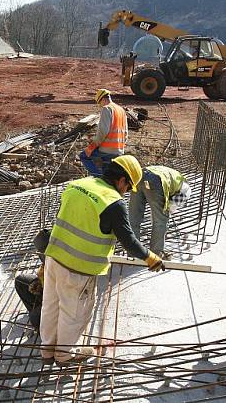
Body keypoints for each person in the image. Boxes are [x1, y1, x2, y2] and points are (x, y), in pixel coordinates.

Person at [40, 155, 164, 366]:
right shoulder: (113, 203)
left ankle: (47, 350)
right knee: (74, 313)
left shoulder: (76, 185)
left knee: (51, 305)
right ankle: (64, 355)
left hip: (53, 258)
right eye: (128, 187)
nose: (125, 193)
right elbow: (129, 241)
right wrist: (150, 257)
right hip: (79, 269)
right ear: (122, 180)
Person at [128, 165, 191, 256]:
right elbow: (170, 208)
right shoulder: (186, 190)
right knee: (161, 221)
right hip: (156, 180)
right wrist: (160, 215)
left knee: (133, 219)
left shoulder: (175, 177)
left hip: (140, 176)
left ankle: (132, 254)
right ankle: (155, 255)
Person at [79, 89, 127, 177]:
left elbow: (103, 132)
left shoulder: (107, 109)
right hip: (119, 150)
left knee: (83, 156)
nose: (100, 106)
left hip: (106, 150)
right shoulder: (121, 110)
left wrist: (91, 147)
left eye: (99, 103)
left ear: (103, 99)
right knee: (108, 172)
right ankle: (105, 179)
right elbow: (126, 133)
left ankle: (100, 177)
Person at [14, 229, 50, 332]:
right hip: (47, 289)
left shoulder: (60, 262)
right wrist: (39, 283)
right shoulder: (48, 259)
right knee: (21, 281)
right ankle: (37, 309)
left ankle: (44, 323)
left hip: (60, 300)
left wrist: (44, 290)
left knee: (35, 318)